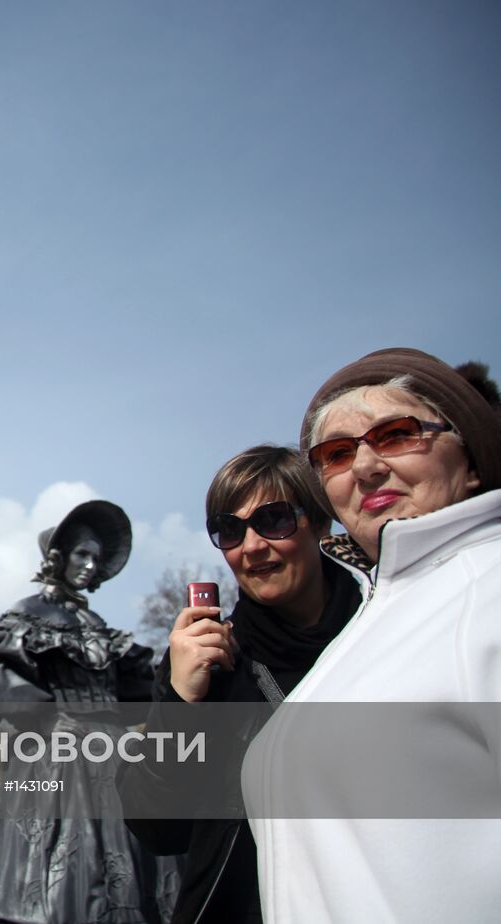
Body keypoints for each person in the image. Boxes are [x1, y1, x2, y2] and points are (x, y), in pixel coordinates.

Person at [243, 349, 501, 922]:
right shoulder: (373, 617)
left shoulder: (488, 587)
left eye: (397, 435)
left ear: (473, 458)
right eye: (336, 455)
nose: (365, 467)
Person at [121, 446, 361, 923]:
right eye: (230, 530)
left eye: (273, 520)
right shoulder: (209, 666)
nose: (251, 546)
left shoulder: (383, 629)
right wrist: (180, 702)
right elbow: (160, 832)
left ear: (320, 523)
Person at [0, 500, 176, 924]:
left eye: (96, 558)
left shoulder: (98, 624)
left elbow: (133, 693)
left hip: (114, 754)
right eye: (82, 553)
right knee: (61, 878)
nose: (89, 565)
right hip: (55, 759)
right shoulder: (27, 615)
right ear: (57, 557)